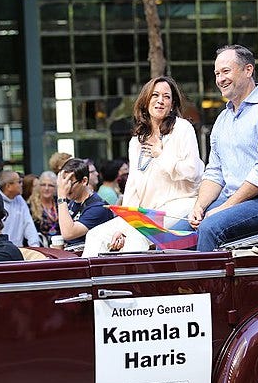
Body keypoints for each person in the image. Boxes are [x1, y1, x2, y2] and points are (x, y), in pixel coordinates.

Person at [181, 44, 258, 251]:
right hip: (235, 200)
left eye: (226, 71)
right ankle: (180, 284)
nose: (220, 79)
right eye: (217, 73)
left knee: (210, 228)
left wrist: (224, 208)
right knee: (176, 230)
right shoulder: (223, 118)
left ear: (248, 70)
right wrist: (199, 206)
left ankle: (207, 284)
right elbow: (215, 172)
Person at [82, 75, 204, 256]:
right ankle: (94, 284)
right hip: (145, 213)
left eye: (166, 96)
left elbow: (192, 171)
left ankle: (131, 285)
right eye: (155, 95)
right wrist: (123, 224)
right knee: (95, 235)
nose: (160, 101)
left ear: (172, 104)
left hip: (179, 205)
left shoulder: (182, 128)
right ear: (146, 101)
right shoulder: (136, 141)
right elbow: (133, 186)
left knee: (136, 236)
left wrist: (161, 155)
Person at [56, 158, 113, 247]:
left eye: (70, 183)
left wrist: (61, 197)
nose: (65, 188)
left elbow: (68, 233)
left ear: (84, 181)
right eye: (63, 183)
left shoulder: (98, 207)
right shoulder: (72, 201)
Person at [0, 170, 41, 247]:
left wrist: (35, 246)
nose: (22, 185)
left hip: (17, 248)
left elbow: (28, 224)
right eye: (19, 182)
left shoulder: (19, 199)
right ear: (8, 186)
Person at [28, 170, 60, 244]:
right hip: (40, 246)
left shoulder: (60, 203)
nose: (46, 188)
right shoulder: (31, 206)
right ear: (39, 186)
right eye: (43, 185)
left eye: (50, 185)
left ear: (55, 188)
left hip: (60, 244)